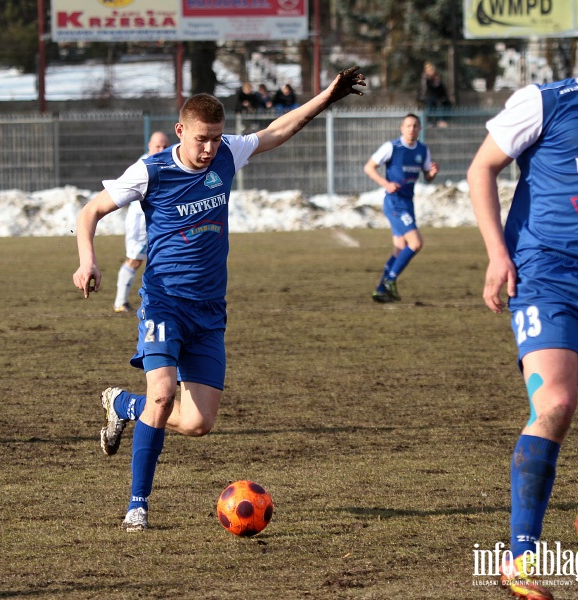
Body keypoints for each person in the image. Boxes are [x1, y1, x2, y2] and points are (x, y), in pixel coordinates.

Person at [73, 66, 366, 532]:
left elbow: (277, 129)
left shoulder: (228, 154)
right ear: (181, 131)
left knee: (198, 424)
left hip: (209, 312)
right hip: (164, 302)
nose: (209, 148)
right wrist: (87, 261)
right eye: (202, 139)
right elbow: (90, 211)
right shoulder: (151, 171)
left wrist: (327, 96)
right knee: (164, 396)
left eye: (216, 138)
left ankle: (122, 406)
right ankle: (137, 505)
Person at [466, 7, 578, 600]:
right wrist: (496, 254)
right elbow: (482, 168)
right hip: (546, 276)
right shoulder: (546, 101)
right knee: (556, 403)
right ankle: (522, 559)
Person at [364, 113, 438, 303]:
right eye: (408, 126)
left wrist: (432, 174)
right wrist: (385, 183)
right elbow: (369, 167)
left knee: (400, 247)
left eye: (415, 126)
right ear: (401, 128)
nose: (411, 129)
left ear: (420, 129)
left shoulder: (422, 149)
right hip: (394, 202)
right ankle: (390, 281)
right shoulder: (392, 147)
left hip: (408, 203)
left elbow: (427, 176)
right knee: (416, 243)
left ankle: (381, 289)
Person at [113, 131, 171, 313]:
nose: (161, 149)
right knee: (135, 259)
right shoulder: (143, 166)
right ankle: (120, 302)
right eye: (157, 146)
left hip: (156, 219)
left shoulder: (166, 162)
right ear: (149, 146)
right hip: (140, 219)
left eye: (164, 146)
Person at [420, 62, 450, 127]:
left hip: (438, 97)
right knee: (430, 108)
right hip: (429, 97)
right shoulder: (426, 78)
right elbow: (426, 88)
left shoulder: (436, 78)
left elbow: (441, 88)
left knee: (442, 106)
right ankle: (430, 122)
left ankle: (441, 120)